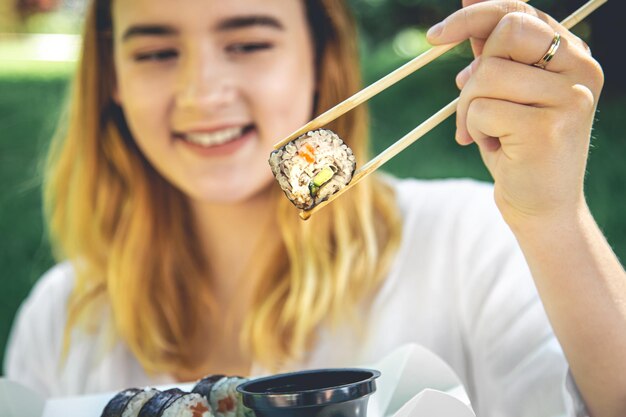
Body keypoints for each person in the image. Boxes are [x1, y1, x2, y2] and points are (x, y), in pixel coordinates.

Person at [4, 0, 625, 416]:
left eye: (247, 42)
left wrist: (553, 219)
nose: (202, 93)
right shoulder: (58, 323)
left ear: (318, 58)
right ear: (110, 78)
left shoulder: (473, 245)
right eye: (157, 52)